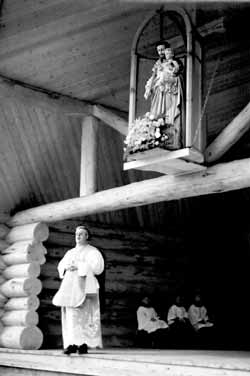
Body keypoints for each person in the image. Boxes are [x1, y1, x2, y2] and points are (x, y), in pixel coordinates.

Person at [52, 225, 104, 355]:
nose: (78, 236)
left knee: (84, 315)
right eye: (76, 234)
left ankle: (83, 344)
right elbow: (61, 266)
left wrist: (79, 265)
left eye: (81, 234)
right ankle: (71, 344)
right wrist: (66, 267)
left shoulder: (92, 251)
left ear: (87, 236)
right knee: (71, 316)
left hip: (86, 285)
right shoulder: (70, 252)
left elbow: (97, 268)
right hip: (70, 287)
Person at [144, 41, 184, 150]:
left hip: (169, 90)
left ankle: (173, 138)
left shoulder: (174, 61)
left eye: (162, 50)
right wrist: (148, 88)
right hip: (159, 90)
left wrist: (169, 77)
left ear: (168, 50)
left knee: (170, 112)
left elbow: (177, 73)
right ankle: (157, 137)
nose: (160, 52)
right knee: (156, 114)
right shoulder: (157, 63)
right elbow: (153, 76)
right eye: (158, 50)